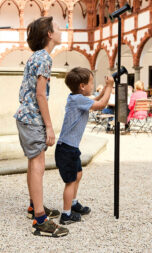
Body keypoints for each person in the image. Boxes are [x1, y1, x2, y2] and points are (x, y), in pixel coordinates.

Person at [14, 16, 68, 237]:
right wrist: (49, 126)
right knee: (38, 165)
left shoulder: (36, 56)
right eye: (57, 27)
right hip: (33, 118)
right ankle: (40, 220)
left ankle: (33, 206)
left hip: (25, 116)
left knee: (33, 164)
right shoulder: (44, 58)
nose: (62, 30)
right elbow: (40, 95)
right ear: (49, 34)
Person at [55, 67, 113, 225]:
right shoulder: (78, 100)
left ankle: (73, 204)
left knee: (78, 175)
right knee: (71, 181)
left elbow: (96, 99)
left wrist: (104, 90)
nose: (93, 86)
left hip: (70, 148)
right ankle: (66, 215)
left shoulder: (77, 98)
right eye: (91, 83)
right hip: (66, 149)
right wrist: (110, 86)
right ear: (82, 86)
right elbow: (101, 105)